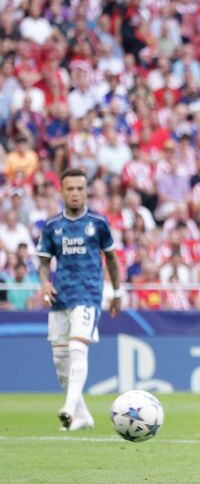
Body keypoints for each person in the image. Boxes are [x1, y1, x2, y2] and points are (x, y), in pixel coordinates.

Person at [36, 168, 123, 431]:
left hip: (88, 295)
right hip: (60, 297)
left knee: (77, 348)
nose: (75, 193)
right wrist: (44, 283)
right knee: (60, 360)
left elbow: (111, 259)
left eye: (80, 188)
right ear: (62, 191)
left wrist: (117, 293)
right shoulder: (52, 226)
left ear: (86, 191)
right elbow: (43, 261)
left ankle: (69, 407)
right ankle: (82, 415)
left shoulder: (98, 223)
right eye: (70, 188)